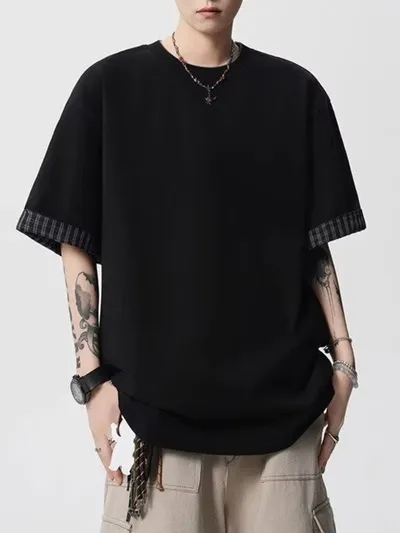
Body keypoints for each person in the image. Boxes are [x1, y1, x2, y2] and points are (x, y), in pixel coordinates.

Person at [16, 1, 366, 532]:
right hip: (156, 424)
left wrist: (343, 356)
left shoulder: (295, 92)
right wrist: (91, 380)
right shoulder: (109, 88)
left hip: (285, 419)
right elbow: (74, 236)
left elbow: (312, 243)